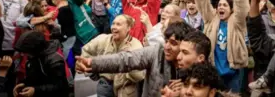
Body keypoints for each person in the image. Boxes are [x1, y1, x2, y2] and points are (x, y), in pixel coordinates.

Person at [75, 21, 209, 97]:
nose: (167, 47)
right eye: (166, 41)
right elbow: (125, 60)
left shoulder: (200, 72)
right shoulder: (156, 52)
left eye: (173, 43)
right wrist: (93, 63)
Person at [194, 0, 249, 93]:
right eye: (219, 5)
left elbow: (242, 9)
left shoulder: (237, 22)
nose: (221, 7)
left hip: (233, 72)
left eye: (225, 5)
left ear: (232, 9)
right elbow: (203, 3)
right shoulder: (211, 19)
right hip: (213, 72)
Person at [81, 15, 145, 97]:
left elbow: (139, 76)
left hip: (126, 89)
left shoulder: (136, 45)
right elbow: (86, 51)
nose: (114, 27)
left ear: (128, 28)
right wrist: (92, 73)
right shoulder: (102, 39)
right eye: (113, 24)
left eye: (118, 24)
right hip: (105, 86)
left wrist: (128, 58)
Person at [13, 31, 69, 97]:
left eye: (26, 51)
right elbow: (35, 77)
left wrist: (35, 90)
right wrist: (24, 84)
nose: (23, 54)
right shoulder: (33, 58)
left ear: (35, 49)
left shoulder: (54, 60)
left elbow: (60, 86)